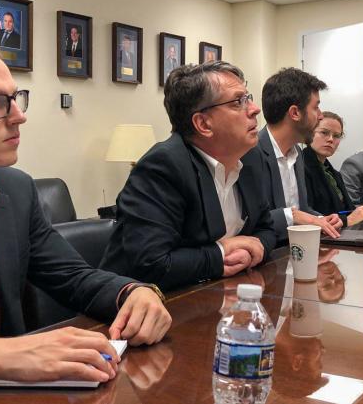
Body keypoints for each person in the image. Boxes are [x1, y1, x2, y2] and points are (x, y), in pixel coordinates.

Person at [0, 31, 171, 399]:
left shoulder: (16, 192)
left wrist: (133, 293)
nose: (19, 116)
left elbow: (74, 278)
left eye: (16, 98)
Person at [99, 61, 276, 291]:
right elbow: (151, 264)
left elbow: (267, 228)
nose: (254, 109)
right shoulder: (163, 167)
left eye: (248, 97)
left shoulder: (251, 157)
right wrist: (222, 252)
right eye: (238, 102)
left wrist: (257, 247)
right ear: (203, 123)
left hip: (220, 297)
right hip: (139, 308)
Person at [243, 67, 341, 247]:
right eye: (316, 107)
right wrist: (293, 215)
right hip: (269, 258)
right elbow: (249, 222)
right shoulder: (249, 153)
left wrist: (322, 219)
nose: (320, 116)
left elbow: (302, 210)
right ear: (295, 113)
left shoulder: (297, 153)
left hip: (299, 252)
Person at [304, 111, 363, 226]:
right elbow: (307, 214)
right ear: (310, 133)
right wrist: (346, 221)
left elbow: (348, 210)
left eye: (336, 136)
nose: (330, 139)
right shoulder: (300, 167)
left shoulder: (334, 173)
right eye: (324, 132)